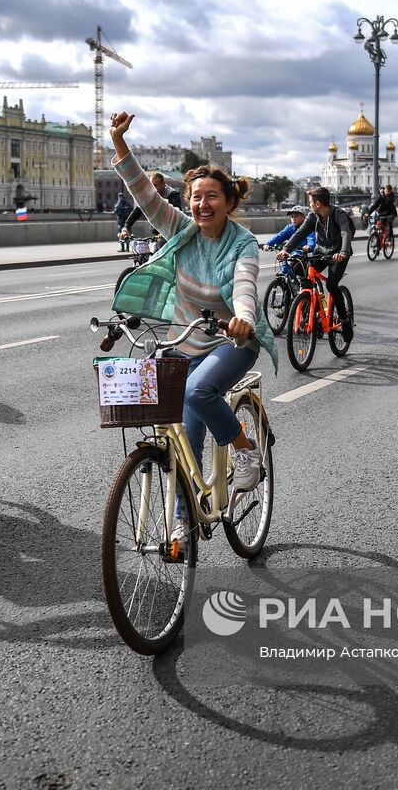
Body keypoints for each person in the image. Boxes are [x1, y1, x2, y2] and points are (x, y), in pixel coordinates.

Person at [108, 112, 276, 554]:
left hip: (231, 342)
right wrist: (119, 145)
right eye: (196, 197)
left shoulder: (242, 243)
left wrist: (243, 316)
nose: (203, 205)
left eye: (212, 197)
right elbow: (145, 195)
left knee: (200, 392)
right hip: (184, 341)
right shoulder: (182, 230)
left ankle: (247, 453)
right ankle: (183, 522)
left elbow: (244, 284)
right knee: (182, 436)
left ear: (228, 202)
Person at [278, 186, 355, 340]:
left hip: (338, 253)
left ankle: (344, 320)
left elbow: (345, 233)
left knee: (331, 285)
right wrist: (286, 249)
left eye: (311, 202)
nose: (310, 205)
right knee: (303, 273)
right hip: (321, 251)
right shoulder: (313, 216)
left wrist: (343, 253)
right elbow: (300, 233)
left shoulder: (338, 214)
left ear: (318, 203)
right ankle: (313, 311)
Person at [121, 172, 185, 237]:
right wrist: (126, 227)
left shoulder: (173, 196)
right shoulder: (149, 195)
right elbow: (137, 211)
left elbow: (177, 214)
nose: (153, 188)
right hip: (157, 232)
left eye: (156, 185)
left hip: (171, 232)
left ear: (163, 184)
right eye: (151, 186)